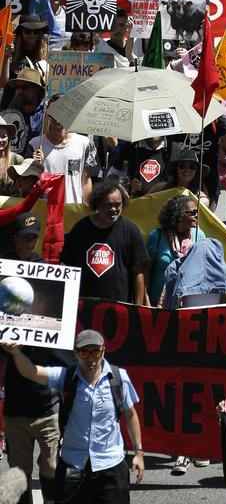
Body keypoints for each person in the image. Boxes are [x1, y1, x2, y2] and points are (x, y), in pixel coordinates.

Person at [2, 329, 144, 504]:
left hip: (110, 464)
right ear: (76, 354)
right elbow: (30, 372)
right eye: (84, 352)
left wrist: (138, 452)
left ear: (103, 351)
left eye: (96, 352)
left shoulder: (118, 378)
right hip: (74, 464)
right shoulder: (66, 377)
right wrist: (15, 352)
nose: (91, 358)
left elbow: (130, 415)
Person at [0, 213, 60, 504]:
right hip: (14, 396)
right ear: (14, 238)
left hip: (44, 396)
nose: (28, 241)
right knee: (18, 473)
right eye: (24, 236)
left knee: (51, 467)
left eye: (33, 237)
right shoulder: (2, 270)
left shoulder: (45, 272)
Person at [61, 179, 149, 304]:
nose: (114, 209)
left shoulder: (131, 231)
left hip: (119, 308)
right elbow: (67, 267)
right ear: (97, 204)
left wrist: (137, 309)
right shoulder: (81, 229)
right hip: (84, 305)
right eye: (108, 205)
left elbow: (138, 273)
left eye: (118, 204)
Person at [145, 194, 206, 306]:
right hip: (158, 301)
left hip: (187, 301)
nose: (196, 216)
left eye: (197, 212)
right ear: (177, 216)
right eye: (191, 213)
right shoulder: (157, 236)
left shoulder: (199, 235)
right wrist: (146, 300)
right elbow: (146, 271)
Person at [31, 102, 97, 204]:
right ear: (48, 115)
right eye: (54, 114)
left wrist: (87, 207)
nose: (58, 119)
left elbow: (86, 179)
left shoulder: (85, 143)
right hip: (44, 207)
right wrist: (36, 163)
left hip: (73, 209)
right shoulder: (35, 144)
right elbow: (30, 181)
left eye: (63, 114)